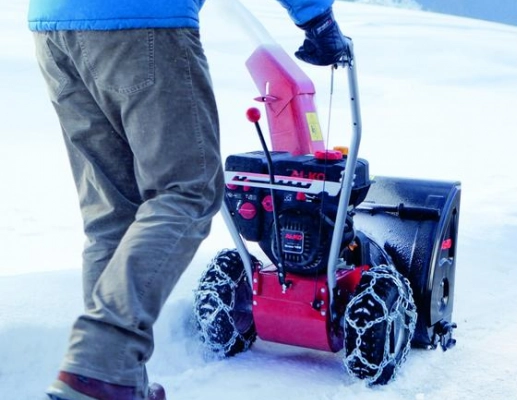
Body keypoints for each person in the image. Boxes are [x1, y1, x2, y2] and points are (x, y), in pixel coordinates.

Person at [27, 0, 349, 399]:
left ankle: (116, 380)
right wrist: (317, 19)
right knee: (187, 190)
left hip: (53, 27)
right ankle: (100, 364)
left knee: (113, 217)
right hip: (143, 25)